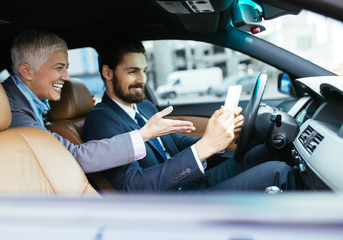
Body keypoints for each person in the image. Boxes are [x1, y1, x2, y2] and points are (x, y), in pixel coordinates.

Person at [82, 36, 301, 193]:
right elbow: (133, 185)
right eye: (132, 71)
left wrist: (218, 138)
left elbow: (176, 142)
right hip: (176, 203)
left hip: (194, 181)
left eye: (144, 71)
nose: (142, 79)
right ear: (108, 73)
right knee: (278, 173)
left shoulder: (145, 107)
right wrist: (204, 147)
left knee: (264, 153)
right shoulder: (101, 121)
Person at [2, 29, 196, 173]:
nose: (67, 77)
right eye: (59, 67)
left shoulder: (28, 105)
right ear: (26, 70)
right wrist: (142, 135)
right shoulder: (11, 112)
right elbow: (75, 157)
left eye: (66, 68)